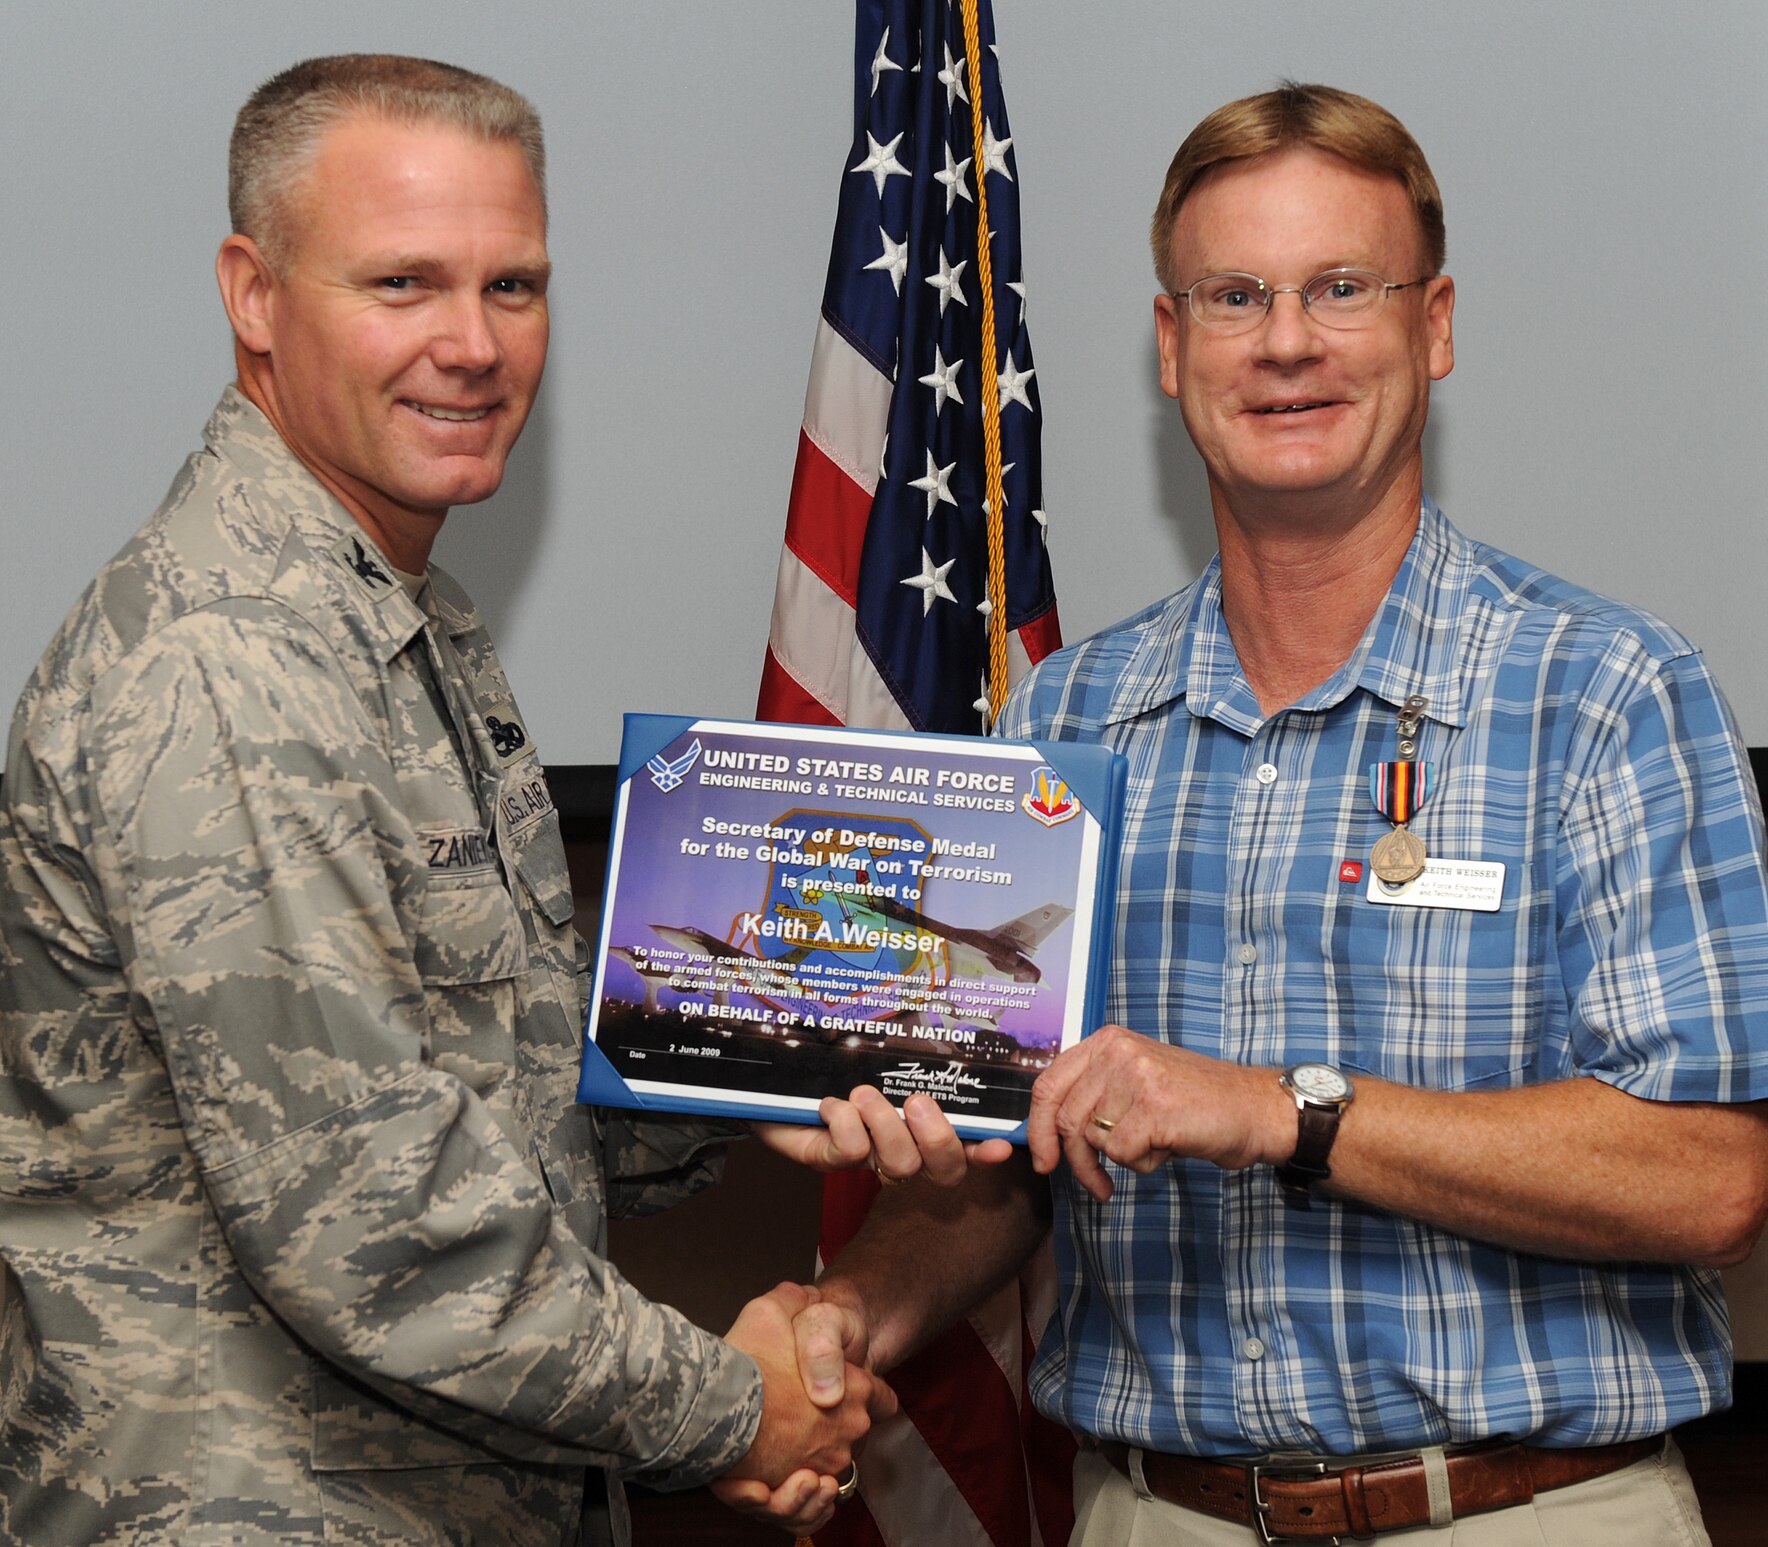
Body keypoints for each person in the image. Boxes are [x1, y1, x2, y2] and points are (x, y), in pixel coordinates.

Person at [0, 52, 984, 1547]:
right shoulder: (231, 660)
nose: (471, 344)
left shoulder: (407, 622)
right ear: (253, 295)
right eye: (402, 283)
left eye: (512, 286)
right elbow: (380, 1225)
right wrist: (739, 1406)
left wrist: (766, 1054)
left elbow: (484, 1079)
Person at [764, 82, 1768, 1545]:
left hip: (1525, 1511)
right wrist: (845, 1316)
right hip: (1155, 1515)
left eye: (1342, 289)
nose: (1287, 341)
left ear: (1434, 326)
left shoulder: (1607, 693)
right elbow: (1020, 1173)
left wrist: (1278, 1111)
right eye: (1235, 296)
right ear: (1173, 348)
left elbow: (1709, 1177)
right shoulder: (1069, 721)